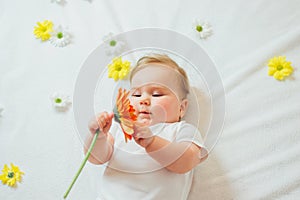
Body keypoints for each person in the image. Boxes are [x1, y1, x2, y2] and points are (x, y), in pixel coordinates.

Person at [85, 54, 208, 200]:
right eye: (136, 95)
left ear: (181, 108)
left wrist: (152, 143)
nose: (143, 100)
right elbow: (96, 158)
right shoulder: (120, 128)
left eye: (156, 94)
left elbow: (187, 161)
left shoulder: (181, 130)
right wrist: (97, 136)